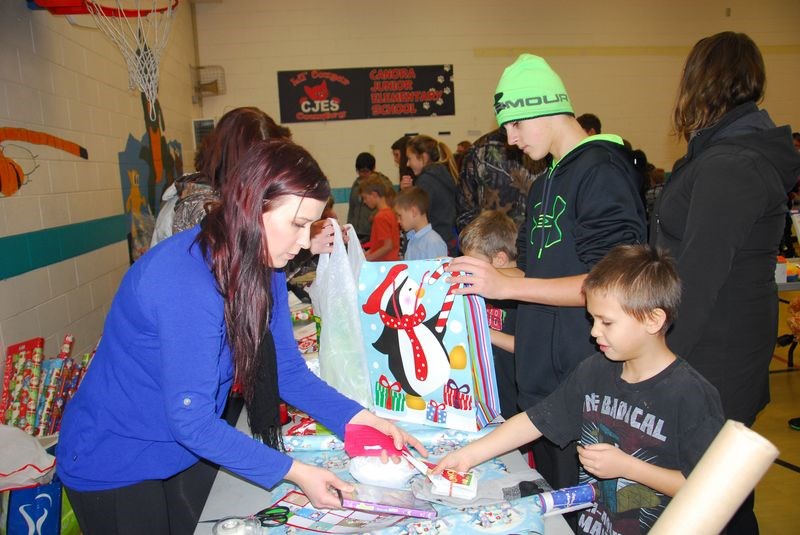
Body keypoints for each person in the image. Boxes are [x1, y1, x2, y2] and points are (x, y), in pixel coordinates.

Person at [57, 141, 425, 534]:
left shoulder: (266, 267)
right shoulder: (184, 279)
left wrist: (360, 418)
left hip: (178, 451)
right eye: (298, 224)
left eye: (312, 226)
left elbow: (285, 370)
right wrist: (296, 472)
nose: (304, 243)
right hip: (116, 457)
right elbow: (191, 419)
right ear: (252, 206)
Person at [447, 54, 646, 496]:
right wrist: (484, 276)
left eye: (516, 125)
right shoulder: (544, 183)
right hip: (542, 382)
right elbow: (547, 272)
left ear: (546, 108)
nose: (512, 140)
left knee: (586, 510)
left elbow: (612, 284)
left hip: (582, 378)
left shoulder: (601, 170)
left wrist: (507, 285)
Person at [435, 244, 725, 534]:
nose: (594, 332)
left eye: (606, 322)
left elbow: (709, 487)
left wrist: (628, 467)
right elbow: (537, 420)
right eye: (593, 319)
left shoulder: (691, 395)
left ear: (653, 320)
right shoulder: (594, 371)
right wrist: (469, 455)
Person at [650, 32, 800, 534]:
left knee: (716, 499)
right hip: (720, 341)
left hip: (715, 351)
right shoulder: (725, 151)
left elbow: (701, 273)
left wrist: (657, 357)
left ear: (701, 83)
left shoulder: (733, 162)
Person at [459, 210, 520, 419]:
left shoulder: (525, 295)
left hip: (514, 395)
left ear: (500, 259)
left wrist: (482, 331)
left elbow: (528, 348)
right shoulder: (480, 287)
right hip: (488, 391)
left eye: (473, 264)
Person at [455, 127, 547, 232]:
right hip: (497, 241)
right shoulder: (480, 149)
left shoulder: (479, 148)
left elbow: (464, 212)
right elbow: (465, 213)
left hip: (505, 241)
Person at [405, 134, 459, 255]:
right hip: (447, 239)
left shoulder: (426, 181)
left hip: (432, 244)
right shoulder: (442, 174)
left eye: (410, 158)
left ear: (423, 157)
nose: (407, 164)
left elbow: (416, 217)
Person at [347, 152, 393, 243]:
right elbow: (352, 208)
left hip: (373, 233)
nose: (363, 174)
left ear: (373, 169)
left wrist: (375, 214)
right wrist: (349, 227)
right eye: (360, 171)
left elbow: (390, 203)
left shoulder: (383, 183)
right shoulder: (356, 185)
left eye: (366, 171)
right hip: (356, 233)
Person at [394, 186, 447, 260]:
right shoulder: (412, 239)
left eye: (400, 216)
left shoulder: (433, 242)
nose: (398, 221)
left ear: (414, 212)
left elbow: (437, 271)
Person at [360, 173, 401, 261]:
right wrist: (367, 253)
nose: (364, 201)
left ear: (374, 195)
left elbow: (387, 247)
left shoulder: (381, 217)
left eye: (365, 198)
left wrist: (367, 260)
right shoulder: (390, 212)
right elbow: (380, 245)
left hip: (384, 264)